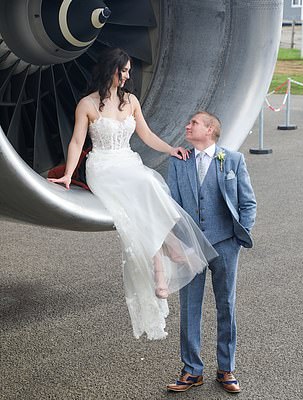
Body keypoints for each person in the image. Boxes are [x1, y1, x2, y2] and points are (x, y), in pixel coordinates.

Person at [48, 48, 217, 340]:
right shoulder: (87, 104)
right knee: (144, 186)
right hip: (103, 166)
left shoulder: (132, 101)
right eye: (123, 70)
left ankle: (163, 260)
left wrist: (170, 148)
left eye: (128, 71)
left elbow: (146, 135)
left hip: (128, 161)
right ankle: (168, 257)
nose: (127, 76)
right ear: (109, 69)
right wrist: (67, 174)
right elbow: (77, 142)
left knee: (149, 185)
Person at [166, 111, 256, 393]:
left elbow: (248, 203)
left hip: (226, 243)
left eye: (193, 123)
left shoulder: (233, 160)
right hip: (191, 247)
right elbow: (171, 207)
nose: (187, 126)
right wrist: (177, 244)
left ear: (210, 129)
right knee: (189, 308)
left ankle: (226, 369)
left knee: (225, 306)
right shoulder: (179, 162)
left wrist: (239, 237)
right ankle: (192, 370)